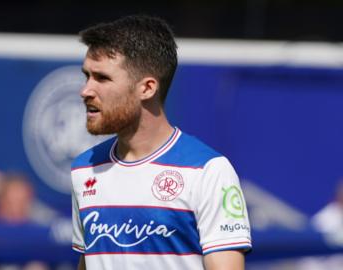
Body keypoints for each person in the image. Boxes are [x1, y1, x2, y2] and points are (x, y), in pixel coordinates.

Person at [70, 15, 251, 270]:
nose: (86, 90)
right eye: (87, 76)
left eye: (102, 78)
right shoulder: (84, 168)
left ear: (147, 88)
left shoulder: (208, 171)